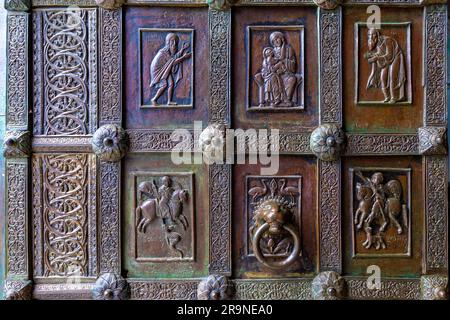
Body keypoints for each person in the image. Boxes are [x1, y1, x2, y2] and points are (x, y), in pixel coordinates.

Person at [365, 28, 406, 103]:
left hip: (396, 57)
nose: (370, 39)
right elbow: (380, 53)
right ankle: (387, 97)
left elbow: (390, 55)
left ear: (376, 37)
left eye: (372, 37)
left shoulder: (387, 40)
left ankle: (394, 97)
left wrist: (377, 57)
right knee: (383, 77)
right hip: (386, 59)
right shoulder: (378, 44)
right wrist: (373, 55)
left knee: (392, 76)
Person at [150, 33, 191, 106]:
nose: (175, 44)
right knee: (164, 85)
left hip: (165, 70)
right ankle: (154, 99)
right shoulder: (163, 53)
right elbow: (173, 62)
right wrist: (184, 57)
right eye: (172, 41)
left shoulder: (167, 52)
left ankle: (169, 101)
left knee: (171, 84)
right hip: (159, 71)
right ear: (168, 42)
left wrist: (182, 49)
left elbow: (173, 59)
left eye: (176, 42)